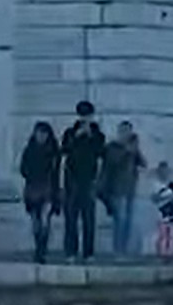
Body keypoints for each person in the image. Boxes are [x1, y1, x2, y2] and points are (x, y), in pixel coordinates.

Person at [61, 100, 106, 262]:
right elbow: (64, 151)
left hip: (89, 179)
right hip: (72, 179)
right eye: (83, 116)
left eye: (88, 116)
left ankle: (89, 253)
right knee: (71, 219)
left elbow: (101, 153)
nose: (86, 119)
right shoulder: (70, 132)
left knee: (88, 219)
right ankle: (70, 252)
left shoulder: (98, 135)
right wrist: (76, 137)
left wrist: (91, 136)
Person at [19, 122, 61, 264]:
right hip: (33, 189)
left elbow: (56, 173)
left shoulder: (53, 152)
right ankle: (40, 248)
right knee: (36, 221)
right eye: (39, 133)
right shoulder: (30, 150)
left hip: (47, 189)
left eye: (44, 134)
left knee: (44, 221)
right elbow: (23, 169)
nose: (41, 136)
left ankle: (41, 250)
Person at [103, 121, 146, 256]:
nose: (126, 134)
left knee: (128, 220)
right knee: (119, 220)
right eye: (123, 131)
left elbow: (143, 164)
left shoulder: (133, 148)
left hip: (130, 190)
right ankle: (118, 250)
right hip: (116, 189)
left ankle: (125, 249)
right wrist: (126, 151)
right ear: (119, 132)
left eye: (128, 131)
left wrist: (136, 150)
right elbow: (112, 162)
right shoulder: (112, 147)